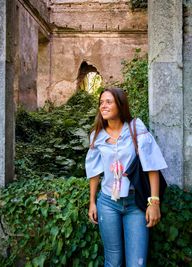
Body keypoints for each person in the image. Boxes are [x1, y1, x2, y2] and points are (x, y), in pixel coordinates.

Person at [85, 88, 167, 267]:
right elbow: (94, 172)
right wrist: (92, 202)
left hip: (135, 203)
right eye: (101, 103)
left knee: (137, 263)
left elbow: (151, 166)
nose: (103, 106)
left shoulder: (135, 127)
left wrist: (154, 203)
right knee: (113, 261)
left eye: (108, 102)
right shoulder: (96, 135)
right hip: (107, 203)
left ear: (120, 105)